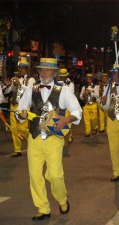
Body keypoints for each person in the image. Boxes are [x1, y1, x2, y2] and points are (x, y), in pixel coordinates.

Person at [17, 58, 82, 221]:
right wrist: (21, 114)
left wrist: (66, 120)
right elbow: (20, 108)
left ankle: (62, 199)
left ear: (54, 73)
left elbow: (77, 111)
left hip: (54, 138)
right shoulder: (31, 89)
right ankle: (43, 208)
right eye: (41, 70)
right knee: (35, 175)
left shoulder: (65, 90)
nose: (43, 73)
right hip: (35, 137)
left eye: (46, 70)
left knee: (54, 175)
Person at [8, 58, 35, 157]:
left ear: (27, 69)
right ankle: (17, 150)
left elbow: (31, 91)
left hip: (23, 107)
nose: (20, 70)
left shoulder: (31, 79)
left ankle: (33, 145)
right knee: (14, 129)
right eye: (19, 68)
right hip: (14, 105)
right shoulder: (16, 78)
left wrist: (19, 84)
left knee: (23, 128)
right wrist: (8, 85)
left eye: (23, 68)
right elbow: (8, 92)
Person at [79, 73, 99, 137]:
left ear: (92, 79)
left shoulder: (96, 87)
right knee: (86, 119)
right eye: (87, 79)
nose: (88, 80)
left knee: (93, 119)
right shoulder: (84, 87)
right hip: (86, 105)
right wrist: (83, 96)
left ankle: (95, 128)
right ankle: (87, 132)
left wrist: (91, 93)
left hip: (93, 104)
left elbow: (97, 95)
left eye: (89, 79)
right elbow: (80, 96)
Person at [58, 68, 75, 143]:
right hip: (59, 106)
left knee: (67, 124)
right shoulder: (57, 82)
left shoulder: (70, 84)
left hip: (68, 107)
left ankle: (69, 134)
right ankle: (61, 139)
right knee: (60, 123)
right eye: (60, 76)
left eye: (63, 77)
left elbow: (70, 94)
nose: (61, 78)